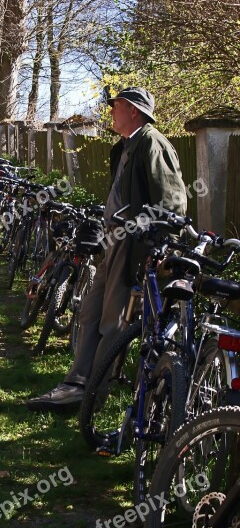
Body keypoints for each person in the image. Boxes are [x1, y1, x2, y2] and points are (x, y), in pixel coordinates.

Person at [27, 87, 188, 412]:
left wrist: (151, 245)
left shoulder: (152, 143)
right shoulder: (125, 147)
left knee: (111, 323)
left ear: (132, 109)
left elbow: (173, 203)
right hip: (114, 244)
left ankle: (91, 397)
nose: (110, 111)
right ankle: (75, 384)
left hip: (133, 249)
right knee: (90, 312)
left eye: (115, 106)